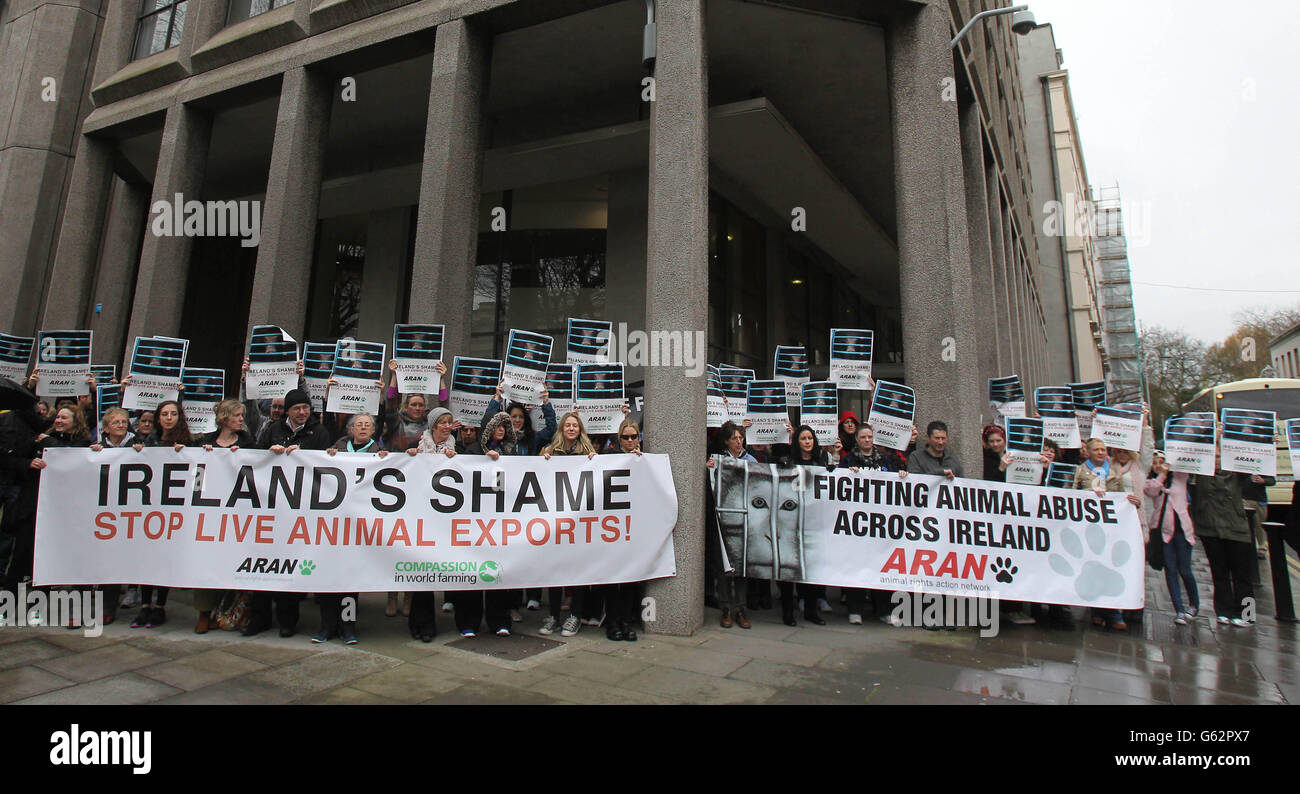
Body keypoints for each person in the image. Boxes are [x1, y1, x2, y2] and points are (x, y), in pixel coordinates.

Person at [243, 389, 332, 638]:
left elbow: (327, 465)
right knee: (262, 565)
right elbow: (255, 458)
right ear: (288, 411)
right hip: (270, 507)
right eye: (297, 409)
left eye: (306, 408)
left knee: (290, 566)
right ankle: (258, 618)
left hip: (300, 510)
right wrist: (270, 453)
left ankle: (287, 621)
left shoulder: (319, 432)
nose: (303, 412)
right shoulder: (273, 430)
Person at [446, 411, 519, 638]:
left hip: (498, 522)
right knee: (472, 574)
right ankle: (468, 622)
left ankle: (499, 620)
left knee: (498, 573)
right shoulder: (472, 452)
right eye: (497, 426)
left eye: (504, 427)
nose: (501, 430)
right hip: (474, 520)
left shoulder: (511, 453)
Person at [316, 413, 387, 644]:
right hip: (334, 525)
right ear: (350, 429)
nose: (364, 428)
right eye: (359, 424)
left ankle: (348, 627)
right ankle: (327, 627)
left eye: (368, 425)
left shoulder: (378, 452)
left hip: (359, 526)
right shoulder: (336, 449)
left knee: (349, 582)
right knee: (328, 581)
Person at [129, 399, 194, 628]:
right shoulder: (147, 441)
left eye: (173, 414)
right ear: (158, 418)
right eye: (164, 414)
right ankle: (144, 606)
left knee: (165, 559)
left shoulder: (188, 442)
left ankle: (160, 607)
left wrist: (187, 454)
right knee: (147, 559)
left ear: (179, 417)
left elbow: (198, 476)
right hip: (149, 508)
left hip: (173, 510)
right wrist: (137, 453)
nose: (168, 418)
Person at [538, 412, 598, 636]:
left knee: (577, 571)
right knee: (555, 570)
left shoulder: (589, 453)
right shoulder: (550, 451)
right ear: (562, 429)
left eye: (575, 425)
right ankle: (553, 615)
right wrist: (542, 461)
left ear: (580, 429)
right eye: (568, 426)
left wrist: (595, 461)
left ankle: (575, 616)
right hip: (556, 523)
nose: (571, 429)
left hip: (579, 523)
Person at [774, 424, 839, 627]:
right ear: (797, 442)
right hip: (791, 523)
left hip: (814, 523)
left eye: (810, 438)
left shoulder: (822, 462)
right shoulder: (787, 461)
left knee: (812, 569)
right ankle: (787, 612)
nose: (807, 442)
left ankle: (811, 611)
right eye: (803, 438)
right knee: (788, 569)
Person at [1190, 452, 1260, 627]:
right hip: (1210, 529)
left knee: (1242, 575)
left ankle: (1247, 615)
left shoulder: (1238, 474)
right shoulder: (1203, 474)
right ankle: (1223, 611)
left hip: (1236, 529)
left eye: (1220, 456)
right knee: (1219, 573)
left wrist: (1269, 443)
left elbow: (1258, 459)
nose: (1216, 460)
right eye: (1213, 456)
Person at [406, 407, 458, 642]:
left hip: (445, 521)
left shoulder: (456, 450)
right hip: (421, 518)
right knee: (422, 573)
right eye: (442, 423)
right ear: (433, 426)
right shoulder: (419, 447)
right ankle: (421, 623)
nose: (447, 427)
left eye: (449, 422)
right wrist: (410, 457)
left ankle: (427, 623)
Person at [1071, 438, 1131, 630]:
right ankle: (1098, 611)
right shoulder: (1080, 471)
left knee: (1109, 566)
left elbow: (1121, 495)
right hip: (1087, 527)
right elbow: (1071, 494)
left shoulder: (1115, 471)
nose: (1100, 453)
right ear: (1088, 452)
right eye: (1096, 450)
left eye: (1103, 450)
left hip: (1109, 528)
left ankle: (1111, 612)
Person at [597, 417, 644, 641]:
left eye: (633, 436)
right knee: (612, 577)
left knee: (629, 579)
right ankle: (612, 621)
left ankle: (626, 620)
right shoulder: (609, 458)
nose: (629, 440)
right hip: (612, 527)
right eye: (625, 437)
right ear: (619, 439)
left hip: (633, 528)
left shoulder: (645, 460)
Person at [706, 421, 756, 629]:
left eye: (741, 438)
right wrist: (709, 470)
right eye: (734, 438)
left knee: (741, 567)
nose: (738, 441)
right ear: (726, 441)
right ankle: (726, 607)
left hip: (744, 519)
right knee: (723, 566)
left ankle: (741, 608)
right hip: (722, 521)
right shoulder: (719, 460)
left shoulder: (750, 460)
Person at [1146, 458, 1199, 625]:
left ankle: (1194, 604)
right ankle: (1179, 610)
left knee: (1185, 570)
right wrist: (1162, 473)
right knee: (1170, 570)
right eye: (1155, 461)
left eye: (1163, 461)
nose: (1160, 463)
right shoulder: (1152, 481)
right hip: (1163, 533)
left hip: (1183, 532)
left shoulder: (1180, 477)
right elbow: (1153, 491)